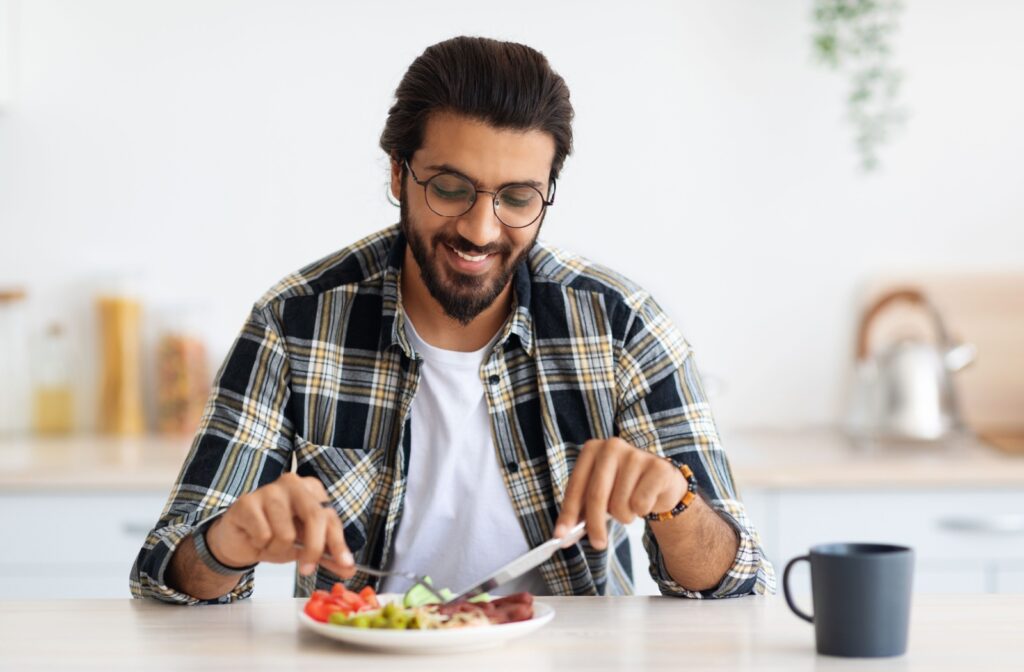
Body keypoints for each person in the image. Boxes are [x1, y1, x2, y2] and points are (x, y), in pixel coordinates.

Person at [131, 35, 775, 604]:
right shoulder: (295, 321)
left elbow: (738, 579)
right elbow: (164, 574)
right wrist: (229, 541)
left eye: (517, 198)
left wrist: (674, 500)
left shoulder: (621, 325)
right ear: (398, 174)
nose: (480, 228)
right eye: (449, 188)